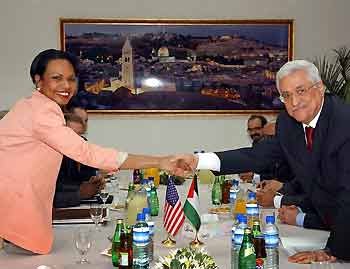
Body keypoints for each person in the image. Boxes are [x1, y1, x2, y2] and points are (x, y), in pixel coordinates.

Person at [0, 49, 189, 254]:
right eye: (57, 78)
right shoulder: (41, 111)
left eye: (71, 79)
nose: (66, 86)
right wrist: (160, 162)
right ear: (38, 80)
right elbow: (87, 153)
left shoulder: (33, 105)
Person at [182, 60, 350, 262]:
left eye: (301, 91)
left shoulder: (343, 123)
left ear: (320, 87)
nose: (294, 102)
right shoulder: (289, 123)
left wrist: (334, 251)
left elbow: (346, 194)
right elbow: (256, 156)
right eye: (286, 96)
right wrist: (198, 160)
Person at [53, 113, 102, 208]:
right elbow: (49, 196)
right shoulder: (51, 154)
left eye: (80, 135)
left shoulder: (81, 147)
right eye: (73, 135)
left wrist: (94, 183)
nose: (79, 140)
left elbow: (87, 175)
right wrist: (80, 193)